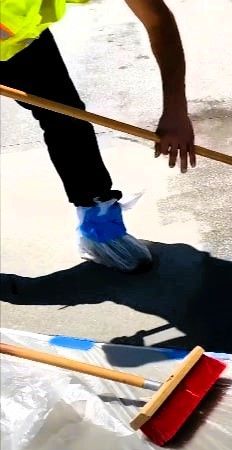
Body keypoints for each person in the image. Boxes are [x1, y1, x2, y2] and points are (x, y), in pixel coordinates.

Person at [0, 0, 194, 272]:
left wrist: (176, 110)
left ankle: (100, 228)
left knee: (67, 117)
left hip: (19, 37)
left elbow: (158, 21)